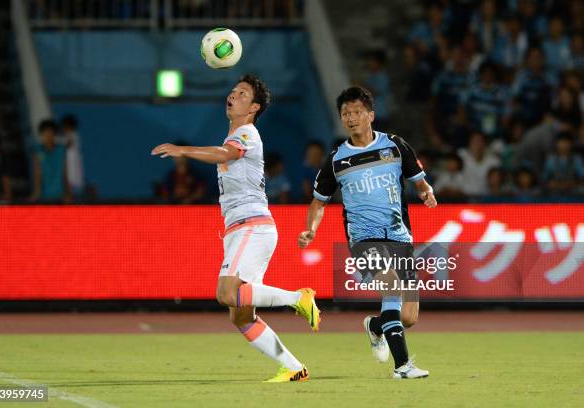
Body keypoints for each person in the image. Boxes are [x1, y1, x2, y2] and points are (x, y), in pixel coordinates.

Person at [151, 74, 319, 383]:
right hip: (243, 229)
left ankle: (298, 298)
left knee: (226, 293)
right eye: (233, 91)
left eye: (241, 93)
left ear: (254, 107)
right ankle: (295, 367)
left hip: (252, 227)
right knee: (241, 316)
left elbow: (225, 154)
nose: (233, 95)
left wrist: (183, 150)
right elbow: (225, 152)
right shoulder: (235, 134)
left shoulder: (247, 133)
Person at [298, 86, 436, 379]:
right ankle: (402, 367)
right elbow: (317, 203)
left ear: (370, 115)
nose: (350, 118)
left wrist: (427, 193)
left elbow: (419, 181)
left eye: (356, 112)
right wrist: (310, 230)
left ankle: (375, 326)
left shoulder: (395, 146)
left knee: (408, 317)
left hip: (399, 237)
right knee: (391, 286)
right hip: (363, 240)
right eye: (345, 113)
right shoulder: (337, 158)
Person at [30, 120, 70, 203]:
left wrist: (67, 193)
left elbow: (64, 172)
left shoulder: (61, 150)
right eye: (45, 132)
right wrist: (36, 193)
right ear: (41, 134)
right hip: (44, 197)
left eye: (50, 132)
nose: (48, 135)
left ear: (55, 134)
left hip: (60, 196)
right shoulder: (37, 150)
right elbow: (37, 174)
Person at [59, 114, 85, 197]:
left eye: (63, 126)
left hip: (73, 169)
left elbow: (67, 142)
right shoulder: (67, 136)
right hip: (69, 168)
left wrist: (54, 139)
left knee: (73, 187)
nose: (62, 128)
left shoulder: (74, 135)